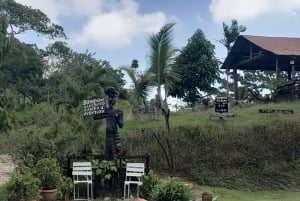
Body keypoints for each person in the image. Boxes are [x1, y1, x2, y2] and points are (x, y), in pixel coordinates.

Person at [94, 87, 123, 160]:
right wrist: (96, 106)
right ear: (107, 99)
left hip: (115, 136)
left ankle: (115, 170)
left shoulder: (119, 111)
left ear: (115, 99)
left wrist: (116, 117)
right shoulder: (106, 111)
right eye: (109, 97)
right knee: (107, 155)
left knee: (115, 155)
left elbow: (121, 125)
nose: (111, 99)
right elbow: (95, 117)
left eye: (112, 97)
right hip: (107, 136)